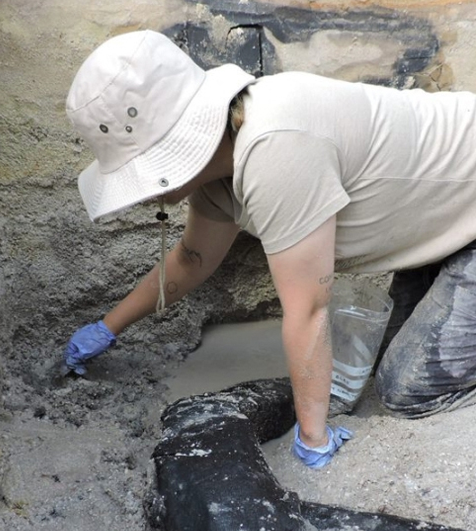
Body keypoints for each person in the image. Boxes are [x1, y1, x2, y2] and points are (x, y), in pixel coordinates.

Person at [63, 30, 476, 468]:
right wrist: (107, 327)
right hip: (450, 224)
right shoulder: (221, 166)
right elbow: (192, 259)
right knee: (382, 365)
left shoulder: (277, 149)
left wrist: (313, 436)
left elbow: (309, 310)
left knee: (406, 389)